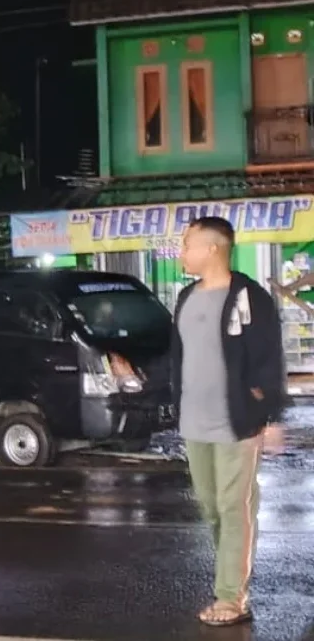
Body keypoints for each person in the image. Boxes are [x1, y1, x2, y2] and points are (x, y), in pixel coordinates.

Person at [175, 216, 285, 627]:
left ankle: (231, 597)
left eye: (187, 244)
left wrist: (269, 414)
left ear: (213, 249)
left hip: (236, 421)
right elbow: (180, 358)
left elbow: (268, 360)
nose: (181, 252)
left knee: (234, 506)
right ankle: (232, 582)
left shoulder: (249, 297)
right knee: (211, 508)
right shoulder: (186, 297)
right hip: (194, 422)